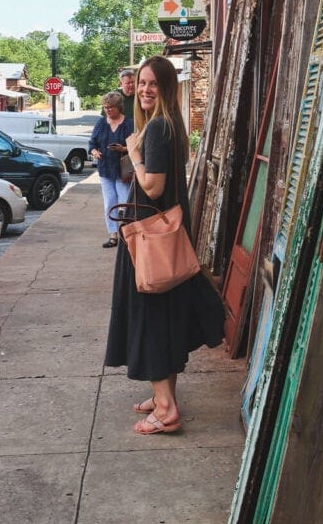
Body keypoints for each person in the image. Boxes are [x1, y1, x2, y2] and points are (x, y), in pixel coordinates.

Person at [104, 55, 225, 435]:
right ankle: (162, 398)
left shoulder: (157, 130)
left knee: (151, 321)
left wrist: (135, 154)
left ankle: (167, 410)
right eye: (141, 82)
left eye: (153, 83)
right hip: (160, 239)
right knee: (163, 319)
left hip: (151, 242)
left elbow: (153, 186)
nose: (144, 89)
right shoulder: (170, 126)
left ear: (168, 88)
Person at [88, 91, 135, 248]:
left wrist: (123, 149)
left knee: (124, 202)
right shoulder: (101, 123)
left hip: (123, 170)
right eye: (105, 107)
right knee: (109, 203)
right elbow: (92, 143)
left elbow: (136, 146)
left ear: (118, 107)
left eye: (110, 107)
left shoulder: (129, 124)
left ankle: (127, 234)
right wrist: (95, 152)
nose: (107, 110)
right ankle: (113, 235)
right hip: (105, 168)